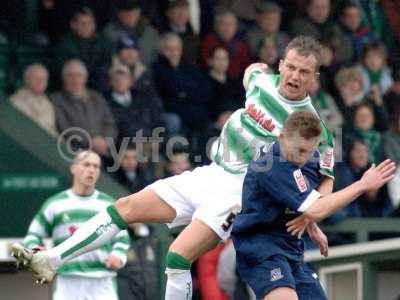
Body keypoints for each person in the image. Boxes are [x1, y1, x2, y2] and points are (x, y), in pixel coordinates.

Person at [12, 36, 334, 300]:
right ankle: (51, 260)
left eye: (304, 72)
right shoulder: (262, 81)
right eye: (290, 67)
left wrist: (309, 212)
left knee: (178, 257)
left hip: (239, 195)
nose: (294, 76)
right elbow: (252, 70)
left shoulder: (312, 125)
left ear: (315, 76)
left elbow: (327, 180)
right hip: (209, 173)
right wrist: (255, 66)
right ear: (281, 64)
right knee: (125, 206)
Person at [231, 111, 396, 300]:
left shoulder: (306, 157)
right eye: (300, 150)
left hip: (291, 249)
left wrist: (311, 224)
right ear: (282, 137)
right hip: (261, 248)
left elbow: (316, 188)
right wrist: (362, 185)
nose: (303, 158)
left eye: (309, 152)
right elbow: (316, 207)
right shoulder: (273, 165)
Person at [15, 151, 130, 300]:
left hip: (102, 281)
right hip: (67, 282)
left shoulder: (108, 204)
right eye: (87, 164)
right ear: (73, 168)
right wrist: (37, 251)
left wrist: (118, 256)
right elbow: (33, 235)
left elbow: (122, 238)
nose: (92, 170)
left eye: (96, 166)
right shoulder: (55, 203)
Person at [51, 59, 118, 158]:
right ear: (64, 78)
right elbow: (64, 128)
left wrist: (106, 141)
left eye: (79, 75)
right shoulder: (56, 100)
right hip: (75, 152)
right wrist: (91, 142)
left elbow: (110, 123)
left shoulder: (97, 97)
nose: (75, 79)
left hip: (103, 151)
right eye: (70, 75)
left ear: (85, 78)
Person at [9, 63, 58, 136]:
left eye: (43, 79)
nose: (40, 81)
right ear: (26, 80)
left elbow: (52, 130)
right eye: (36, 78)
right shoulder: (15, 102)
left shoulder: (48, 104)